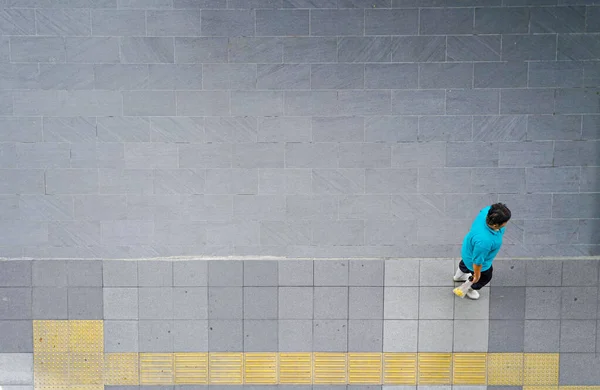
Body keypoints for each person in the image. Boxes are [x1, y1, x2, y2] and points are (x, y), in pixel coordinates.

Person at [453, 203, 511, 300]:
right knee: (485, 278)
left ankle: (458, 276)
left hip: (468, 251)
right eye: (505, 222)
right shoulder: (485, 242)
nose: (507, 223)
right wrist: (477, 275)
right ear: (496, 225)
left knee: (465, 264)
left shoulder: (486, 211)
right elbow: (477, 262)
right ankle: (470, 288)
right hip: (478, 262)